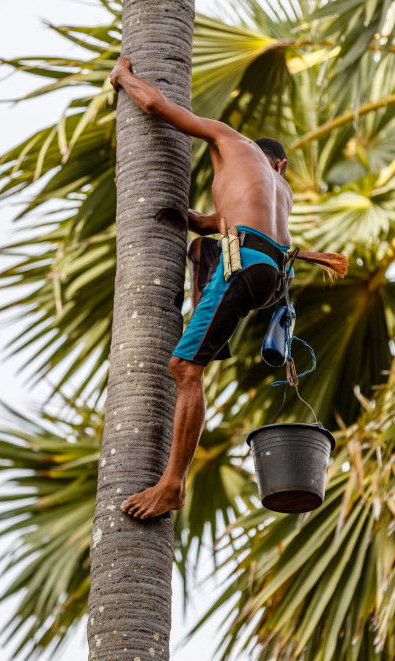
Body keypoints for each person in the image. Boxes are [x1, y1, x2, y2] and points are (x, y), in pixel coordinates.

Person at [110, 56, 293, 520]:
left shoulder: (230, 138)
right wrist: (193, 220)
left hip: (243, 262)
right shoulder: (281, 189)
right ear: (281, 163)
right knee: (199, 251)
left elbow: (154, 105)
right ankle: (209, 328)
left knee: (184, 369)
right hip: (269, 276)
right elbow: (214, 222)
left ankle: (172, 484)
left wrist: (125, 76)